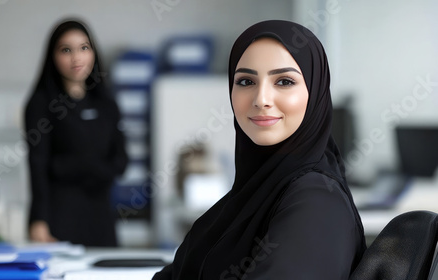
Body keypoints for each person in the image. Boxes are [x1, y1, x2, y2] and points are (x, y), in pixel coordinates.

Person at [153, 20, 366, 279]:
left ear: (316, 91)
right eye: (245, 81)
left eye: (285, 81)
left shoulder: (317, 202)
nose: (261, 99)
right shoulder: (252, 192)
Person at [24, 19, 128, 247]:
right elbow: (38, 165)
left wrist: (70, 166)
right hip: (59, 216)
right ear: (52, 56)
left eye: (84, 48)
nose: (77, 58)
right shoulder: (41, 104)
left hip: (100, 216)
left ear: (93, 52)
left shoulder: (107, 103)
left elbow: (121, 162)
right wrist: (38, 219)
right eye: (66, 50)